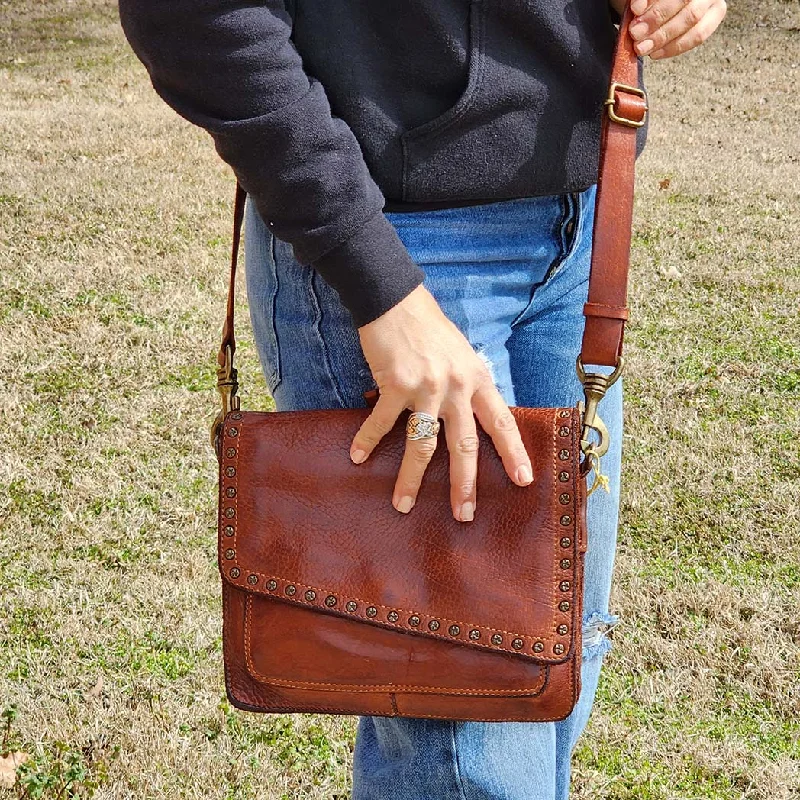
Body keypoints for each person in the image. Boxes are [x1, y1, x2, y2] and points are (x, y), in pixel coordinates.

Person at [118, 1, 726, 796]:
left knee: (560, 653)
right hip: (398, 243)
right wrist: (378, 283)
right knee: (472, 729)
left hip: (584, 206)